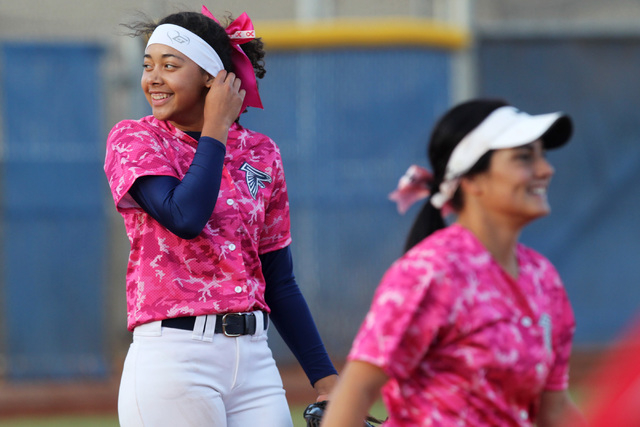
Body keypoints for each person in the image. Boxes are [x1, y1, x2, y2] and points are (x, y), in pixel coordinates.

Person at [104, 6, 337, 426]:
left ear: (212, 78)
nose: (153, 78)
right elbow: (184, 215)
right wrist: (216, 127)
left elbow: (278, 279)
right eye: (148, 65)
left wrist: (325, 377)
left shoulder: (262, 152)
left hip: (254, 358)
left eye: (170, 66)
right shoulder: (135, 137)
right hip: (174, 356)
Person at [321, 99, 585, 426]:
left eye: (542, 155)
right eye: (523, 157)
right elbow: (357, 390)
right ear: (471, 180)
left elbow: (554, 410)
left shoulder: (543, 278)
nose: (546, 169)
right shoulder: (430, 271)